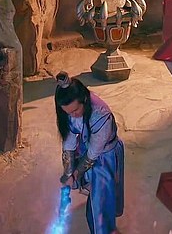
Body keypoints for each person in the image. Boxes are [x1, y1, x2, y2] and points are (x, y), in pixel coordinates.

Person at [55, 72, 124, 234]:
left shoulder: (101, 115)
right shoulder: (70, 111)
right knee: (94, 195)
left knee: (100, 207)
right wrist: (68, 173)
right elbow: (69, 142)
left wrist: (75, 174)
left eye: (75, 110)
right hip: (88, 147)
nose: (72, 115)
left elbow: (93, 153)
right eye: (68, 112)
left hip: (106, 156)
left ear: (84, 100)